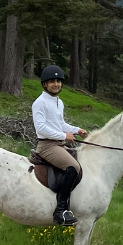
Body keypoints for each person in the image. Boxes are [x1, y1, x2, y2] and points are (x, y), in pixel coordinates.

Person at [32, 65, 88, 226]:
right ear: (45, 84)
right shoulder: (40, 103)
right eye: (52, 81)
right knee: (73, 167)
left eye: (58, 81)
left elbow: (60, 124)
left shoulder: (58, 102)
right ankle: (60, 210)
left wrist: (77, 130)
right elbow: (41, 128)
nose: (56, 84)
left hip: (58, 144)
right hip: (47, 146)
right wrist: (64, 136)